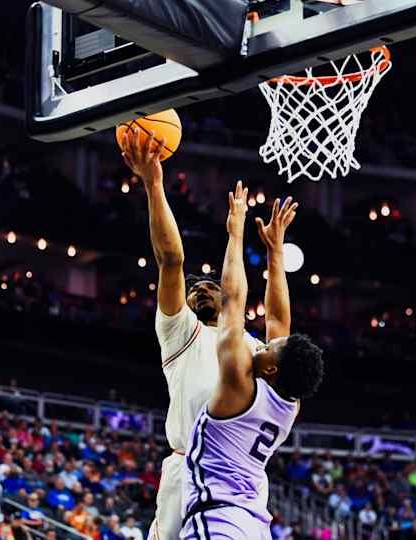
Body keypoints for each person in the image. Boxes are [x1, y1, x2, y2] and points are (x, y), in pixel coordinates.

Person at [120, 130, 291, 540]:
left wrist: (275, 254)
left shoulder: (250, 344)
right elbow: (172, 259)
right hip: (190, 473)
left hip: (239, 481)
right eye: (195, 287)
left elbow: (280, 327)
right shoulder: (180, 331)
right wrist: (154, 184)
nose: (200, 286)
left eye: (209, 284)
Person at [178, 182, 324, 540]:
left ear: (272, 368)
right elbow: (278, 321)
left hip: (220, 521)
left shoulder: (238, 383)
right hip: (254, 524)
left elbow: (232, 302)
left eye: (268, 349)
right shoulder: (288, 401)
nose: (262, 346)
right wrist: (275, 254)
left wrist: (236, 231)